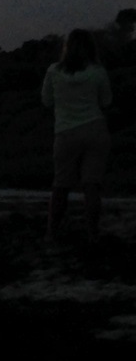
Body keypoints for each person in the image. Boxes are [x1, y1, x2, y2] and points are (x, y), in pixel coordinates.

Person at [44, 28, 114, 242]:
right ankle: (93, 233)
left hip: (65, 133)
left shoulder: (54, 71)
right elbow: (106, 102)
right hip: (95, 130)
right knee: (92, 185)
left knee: (61, 185)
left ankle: (52, 233)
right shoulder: (98, 72)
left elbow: (47, 101)